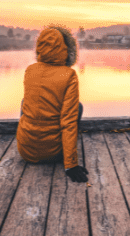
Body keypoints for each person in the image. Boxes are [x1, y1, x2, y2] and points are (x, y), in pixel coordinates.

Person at [16, 25, 89, 183]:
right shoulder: (69, 75)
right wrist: (71, 165)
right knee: (77, 107)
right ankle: (65, 150)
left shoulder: (30, 70)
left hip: (25, 152)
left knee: (25, 103)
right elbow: (68, 121)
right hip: (53, 154)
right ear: (66, 48)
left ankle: (29, 139)